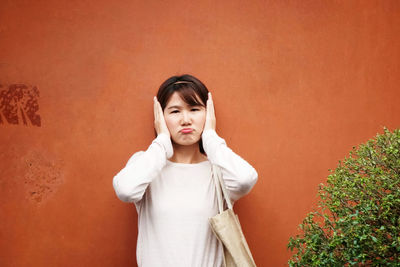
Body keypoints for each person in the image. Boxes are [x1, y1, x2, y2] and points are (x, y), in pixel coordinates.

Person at [112, 74, 258, 267]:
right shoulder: (147, 164)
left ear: (208, 115)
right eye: (174, 111)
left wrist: (211, 136)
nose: (186, 120)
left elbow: (245, 179)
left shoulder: (218, 171)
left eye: (195, 109)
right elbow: (125, 190)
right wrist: (162, 142)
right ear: (160, 117)